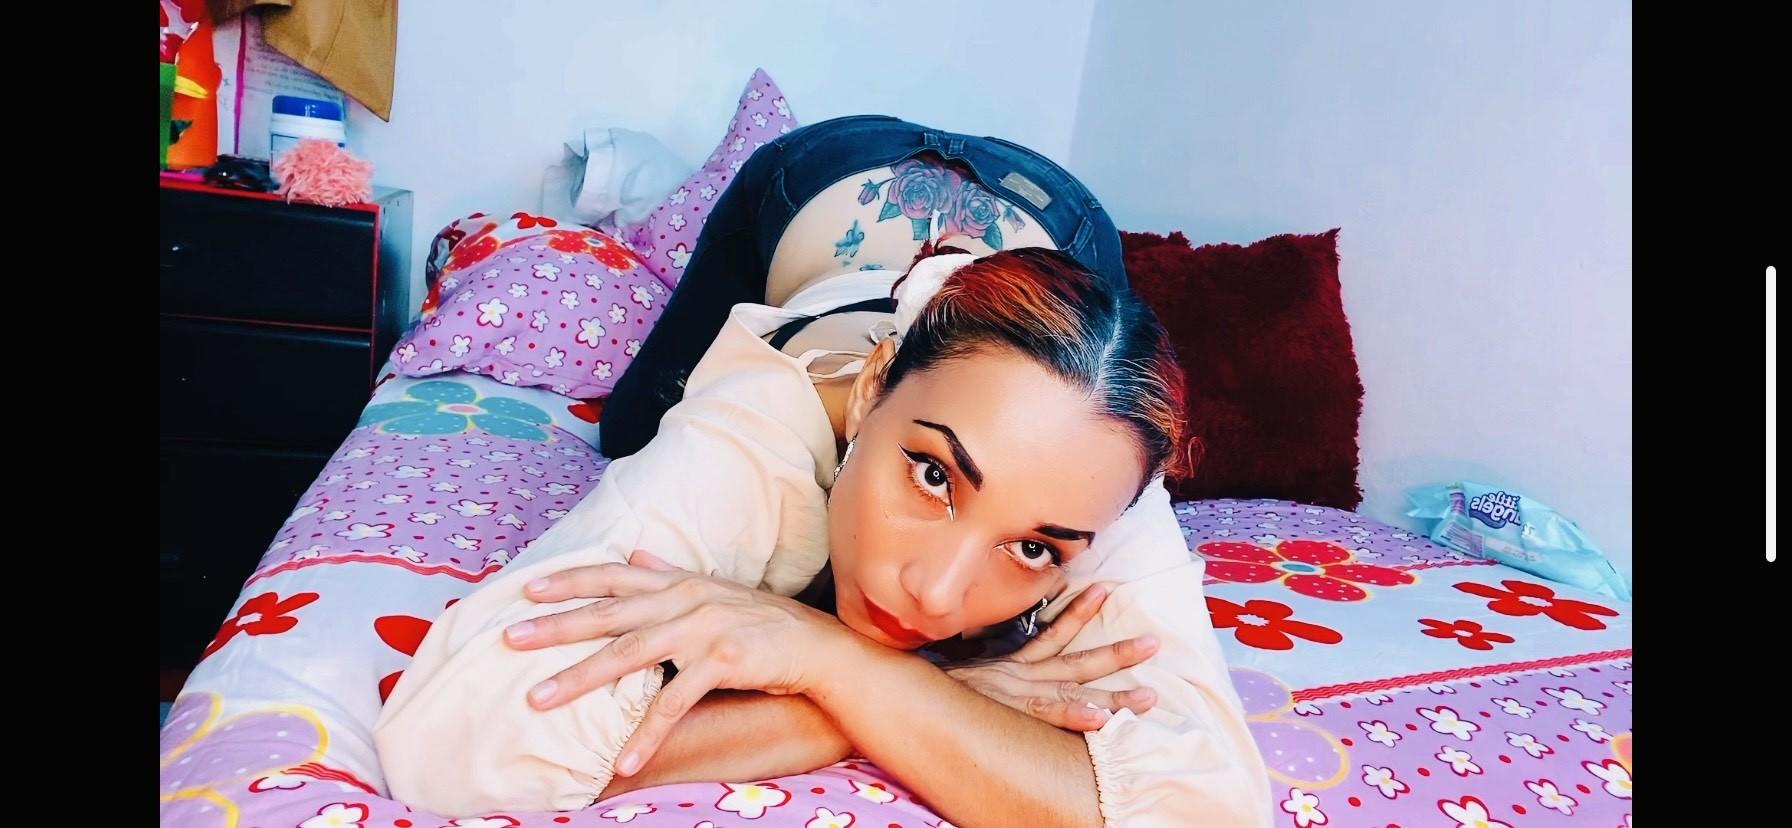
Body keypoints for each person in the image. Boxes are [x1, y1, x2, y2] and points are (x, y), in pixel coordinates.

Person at [374, 116, 1270, 827]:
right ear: (874, 387)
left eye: (1034, 549)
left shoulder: (1098, 464)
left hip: (1057, 222)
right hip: (813, 184)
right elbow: (449, 745)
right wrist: (940, 695)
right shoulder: (757, 425)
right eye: (933, 476)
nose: (935, 595)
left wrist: (842, 667)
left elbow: (1210, 812)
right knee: (634, 418)